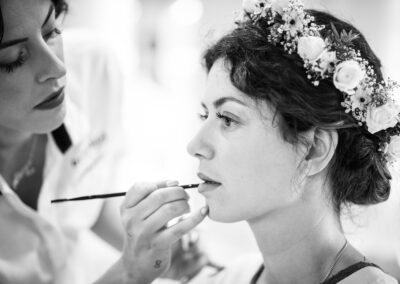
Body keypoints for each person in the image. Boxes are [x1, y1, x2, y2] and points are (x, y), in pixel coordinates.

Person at [181, 0, 398, 282]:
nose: (195, 146)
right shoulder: (231, 276)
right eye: (204, 114)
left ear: (314, 150)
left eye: (228, 118)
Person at [0, 0, 207, 283]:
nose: (58, 67)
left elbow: (85, 202)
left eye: (51, 31)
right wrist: (128, 273)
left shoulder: (91, 68)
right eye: (14, 58)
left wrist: (149, 239)